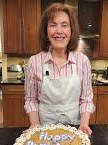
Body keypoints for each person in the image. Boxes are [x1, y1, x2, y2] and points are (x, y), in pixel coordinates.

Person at [24, 3, 95, 136]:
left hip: (75, 128)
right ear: (46, 30)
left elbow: (86, 99)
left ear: (71, 30)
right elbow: (31, 99)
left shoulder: (83, 61)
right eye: (53, 25)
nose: (59, 31)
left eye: (64, 25)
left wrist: (84, 123)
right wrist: (34, 123)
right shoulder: (34, 62)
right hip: (44, 129)